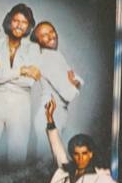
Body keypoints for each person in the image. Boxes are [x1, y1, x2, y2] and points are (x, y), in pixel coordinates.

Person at [0, 3, 41, 167]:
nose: (19, 25)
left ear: (28, 26)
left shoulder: (33, 48)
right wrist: (22, 70)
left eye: (24, 22)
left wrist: (2, 73)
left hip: (21, 105)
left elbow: (29, 81)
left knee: (17, 156)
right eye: (16, 20)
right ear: (9, 21)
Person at [29, 21, 83, 160]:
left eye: (51, 31)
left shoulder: (56, 55)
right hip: (50, 115)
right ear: (38, 41)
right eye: (44, 35)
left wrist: (74, 83)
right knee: (49, 162)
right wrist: (74, 84)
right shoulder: (47, 59)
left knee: (54, 162)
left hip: (58, 113)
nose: (50, 36)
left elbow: (77, 80)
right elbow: (68, 93)